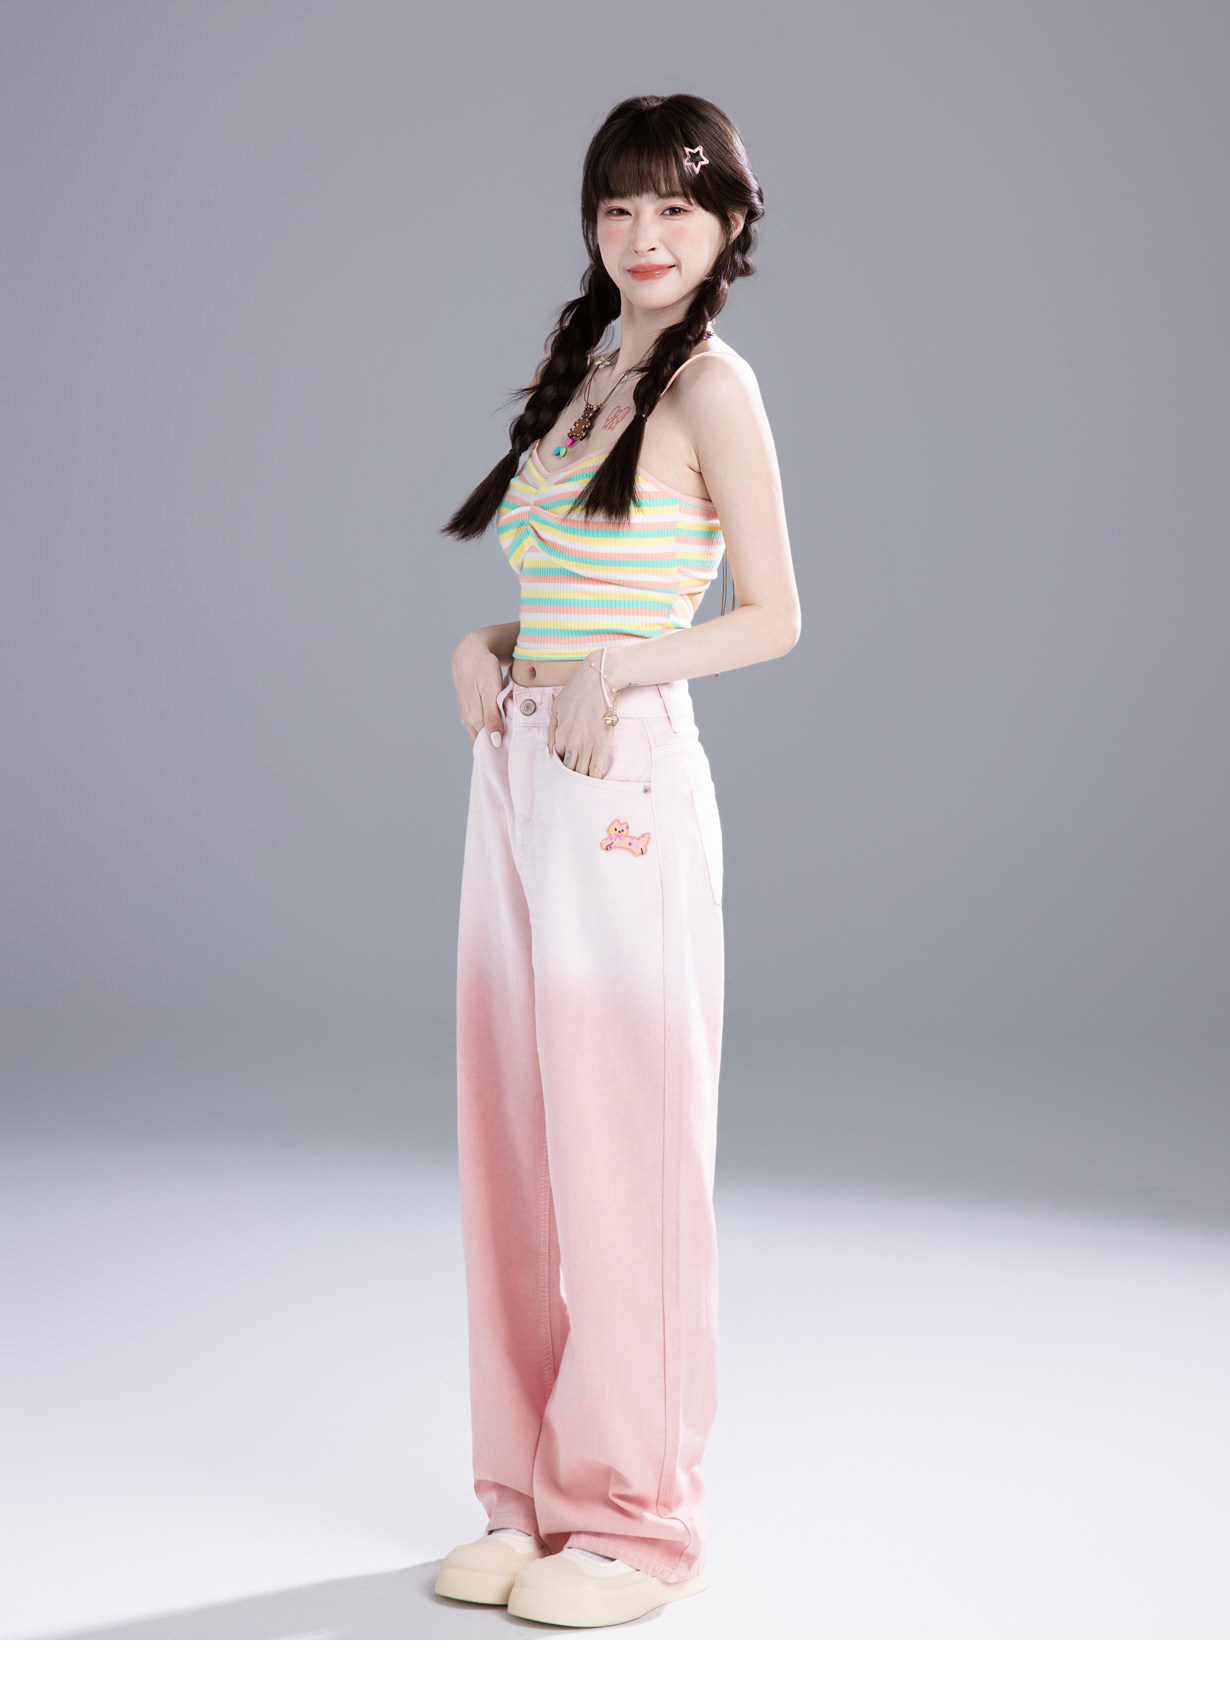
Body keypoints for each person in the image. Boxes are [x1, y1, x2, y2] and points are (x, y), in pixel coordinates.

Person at [434, 92, 800, 1630]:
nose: (644, 235)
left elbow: (772, 615)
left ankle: (637, 1522)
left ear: (726, 224)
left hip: (619, 774)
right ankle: (524, 1498)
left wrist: (624, 669)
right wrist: (489, 642)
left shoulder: (713, 387)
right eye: (617, 206)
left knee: (621, 1148)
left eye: (675, 206)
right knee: (514, 1141)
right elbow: (565, 590)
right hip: (518, 762)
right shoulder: (586, 375)